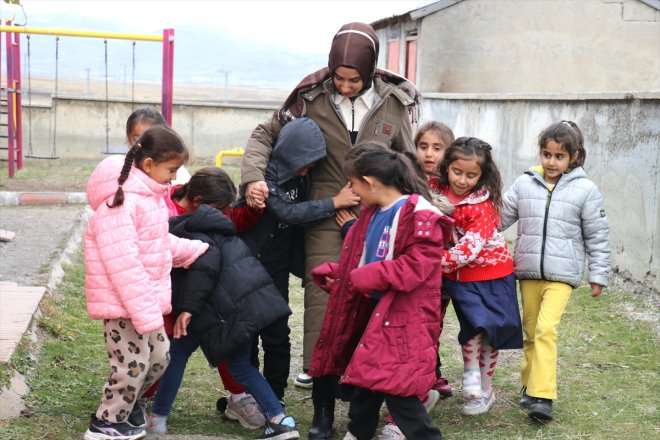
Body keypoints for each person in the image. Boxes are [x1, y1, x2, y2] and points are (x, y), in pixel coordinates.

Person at [240, 22, 421, 438]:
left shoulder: (395, 102)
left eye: (354, 79)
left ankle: (363, 410)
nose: (345, 85)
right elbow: (264, 134)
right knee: (324, 307)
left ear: (371, 71)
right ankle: (322, 411)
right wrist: (253, 177)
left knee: (375, 308)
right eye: (338, 77)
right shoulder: (309, 97)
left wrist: (422, 210)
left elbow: (407, 162)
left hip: (379, 216)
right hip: (323, 213)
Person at [309, 143, 451, 440]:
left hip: (402, 318)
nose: (351, 190)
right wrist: (340, 275)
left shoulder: (421, 216)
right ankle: (357, 432)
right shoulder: (371, 214)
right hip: (373, 312)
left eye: (353, 183)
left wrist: (365, 277)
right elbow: (367, 260)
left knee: (397, 390)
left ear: (370, 182)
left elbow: (415, 268)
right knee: (366, 379)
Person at [83, 126, 209, 440]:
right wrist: (145, 313)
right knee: (131, 365)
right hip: (124, 304)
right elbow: (124, 265)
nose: (174, 178)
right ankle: (105, 422)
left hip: (144, 303)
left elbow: (156, 242)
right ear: (149, 165)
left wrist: (196, 250)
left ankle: (128, 407)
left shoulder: (149, 198)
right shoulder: (120, 204)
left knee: (160, 357)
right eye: (171, 170)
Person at [239, 118, 360, 403]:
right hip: (247, 266)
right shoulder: (264, 181)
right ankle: (250, 394)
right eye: (303, 162)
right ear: (289, 154)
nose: (308, 169)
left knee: (277, 331)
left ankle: (275, 392)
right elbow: (287, 212)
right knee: (248, 334)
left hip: (277, 266)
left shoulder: (304, 178)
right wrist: (334, 202)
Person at [499, 121, 610, 422]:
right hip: (529, 272)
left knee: (547, 329)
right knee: (531, 332)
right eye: (546, 154)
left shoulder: (585, 190)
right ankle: (529, 384)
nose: (551, 162)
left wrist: (598, 274)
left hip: (562, 276)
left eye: (559, 156)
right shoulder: (525, 183)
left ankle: (543, 396)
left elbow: (597, 234)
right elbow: (499, 217)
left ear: (574, 156)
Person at [168, 189, 300, 439]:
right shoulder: (222, 232)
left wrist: (187, 309)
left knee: (192, 356)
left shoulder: (198, 236)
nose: (228, 214)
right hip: (245, 309)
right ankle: (278, 418)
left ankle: (156, 419)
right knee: (239, 365)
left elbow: (202, 277)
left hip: (225, 313)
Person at [146, 167, 266, 434]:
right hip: (171, 299)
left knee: (224, 344)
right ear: (199, 201)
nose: (224, 214)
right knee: (164, 352)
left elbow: (233, 221)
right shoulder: (165, 211)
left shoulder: (213, 211)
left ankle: (238, 397)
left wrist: (252, 210)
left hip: (209, 299)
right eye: (220, 208)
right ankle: (144, 400)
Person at [436, 136, 523, 416]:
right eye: (457, 172)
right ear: (447, 167)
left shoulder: (483, 206)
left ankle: (485, 389)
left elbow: (470, 247)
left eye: (471, 175)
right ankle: (471, 377)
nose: (462, 180)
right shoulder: (434, 192)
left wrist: (434, 263)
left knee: (490, 334)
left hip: (493, 274)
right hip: (462, 279)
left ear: (481, 175)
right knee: (472, 329)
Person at [415, 120, 456, 398]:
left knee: (435, 323)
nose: (429, 154)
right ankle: (428, 375)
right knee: (419, 325)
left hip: (442, 270)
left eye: (437, 148)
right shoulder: (408, 180)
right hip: (415, 268)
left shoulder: (453, 184)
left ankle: (433, 373)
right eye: (423, 146)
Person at [125, 107, 191, 191]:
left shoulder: (178, 175)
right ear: (128, 138)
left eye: (153, 139)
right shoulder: (122, 169)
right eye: (138, 138)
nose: (145, 144)